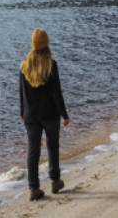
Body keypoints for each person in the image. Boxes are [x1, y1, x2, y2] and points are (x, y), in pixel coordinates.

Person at [19, 28, 70, 201]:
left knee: (33, 151)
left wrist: (22, 112)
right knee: (52, 147)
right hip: (50, 114)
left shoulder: (25, 64)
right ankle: (55, 181)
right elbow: (57, 93)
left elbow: (21, 93)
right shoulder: (51, 64)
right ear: (46, 43)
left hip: (30, 116)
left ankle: (34, 188)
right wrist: (64, 114)